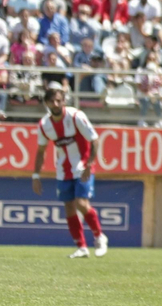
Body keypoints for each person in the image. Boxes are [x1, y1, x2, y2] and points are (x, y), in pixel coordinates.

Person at [29, 83, 110, 259]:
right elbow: (41, 151)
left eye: (58, 101)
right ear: (47, 103)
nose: (56, 104)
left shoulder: (76, 116)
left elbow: (94, 140)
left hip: (82, 167)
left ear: (64, 101)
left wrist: (89, 164)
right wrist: (36, 175)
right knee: (69, 207)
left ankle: (99, 236)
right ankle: (81, 247)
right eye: (52, 101)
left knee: (81, 203)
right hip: (63, 170)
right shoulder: (44, 125)